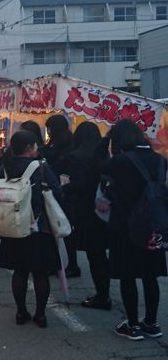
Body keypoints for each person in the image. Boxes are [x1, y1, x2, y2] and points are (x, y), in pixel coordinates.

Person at [100, 119, 167, 340]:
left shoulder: (118, 162)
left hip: (124, 226)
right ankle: (152, 322)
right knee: (150, 276)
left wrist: (105, 141)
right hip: (152, 225)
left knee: (128, 276)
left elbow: (98, 166)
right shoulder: (159, 160)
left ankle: (133, 325)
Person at [0, 130, 62, 328]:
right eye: (34, 145)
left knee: (20, 271)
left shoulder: (4, 167)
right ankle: (40, 314)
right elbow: (57, 191)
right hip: (38, 227)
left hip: (13, 225)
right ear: (28, 148)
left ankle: (21, 311)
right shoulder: (40, 167)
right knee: (40, 273)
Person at [63, 121, 111, 310]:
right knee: (100, 254)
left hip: (85, 210)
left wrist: (66, 187)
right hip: (103, 208)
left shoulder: (76, 156)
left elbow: (79, 184)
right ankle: (104, 293)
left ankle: (102, 296)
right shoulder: (104, 154)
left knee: (94, 254)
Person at [43, 115, 78, 277]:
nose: (48, 132)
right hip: (55, 190)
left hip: (65, 192)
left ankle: (72, 264)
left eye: (50, 128)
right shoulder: (55, 144)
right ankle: (56, 263)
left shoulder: (67, 146)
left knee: (64, 228)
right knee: (54, 228)